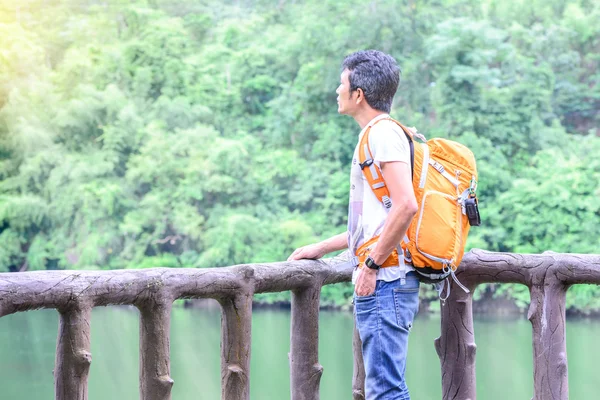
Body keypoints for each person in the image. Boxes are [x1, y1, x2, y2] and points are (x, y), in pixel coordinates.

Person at [287, 50, 419, 400]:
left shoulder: (381, 135)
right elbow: (377, 220)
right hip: (389, 278)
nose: (337, 90)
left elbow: (405, 206)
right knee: (386, 386)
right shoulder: (379, 134)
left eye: (342, 83)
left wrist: (372, 265)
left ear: (358, 94)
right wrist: (322, 247)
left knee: (386, 390)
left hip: (387, 278)